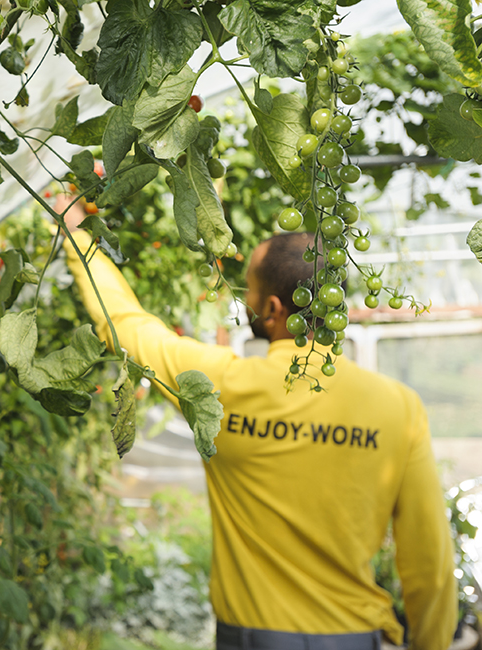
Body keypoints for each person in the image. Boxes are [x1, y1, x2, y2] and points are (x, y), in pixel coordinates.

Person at [57, 197, 458, 650]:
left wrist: (76, 232)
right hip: (353, 637)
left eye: (245, 289)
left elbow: (128, 326)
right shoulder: (398, 408)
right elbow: (429, 558)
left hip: (252, 639)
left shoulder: (222, 386)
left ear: (270, 308)